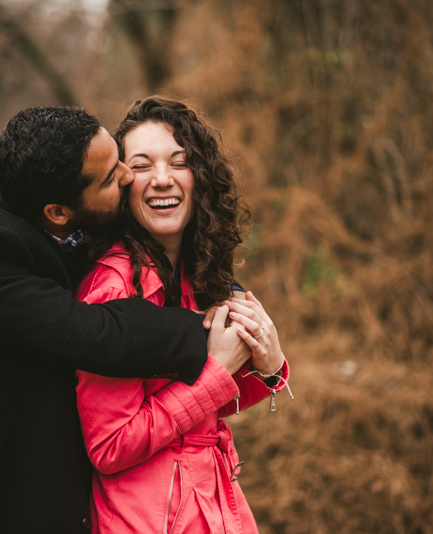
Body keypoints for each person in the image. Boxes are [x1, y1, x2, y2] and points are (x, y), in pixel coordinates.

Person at [0, 106, 254, 533]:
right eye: (111, 177)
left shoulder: (60, 204)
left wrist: (231, 299)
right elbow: (95, 333)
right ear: (58, 212)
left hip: (68, 496)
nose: (128, 176)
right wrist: (212, 329)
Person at [75, 96, 291, 533]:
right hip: (145, 520)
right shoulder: (114, 288)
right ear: (120, 182)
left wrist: (270, 369)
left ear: (201, 178)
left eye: (179, 162)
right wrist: (216, 371)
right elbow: (110, 445)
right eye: (140, 166)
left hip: (212, 506)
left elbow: (209, 406)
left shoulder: (199, 273)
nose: (161, 179)